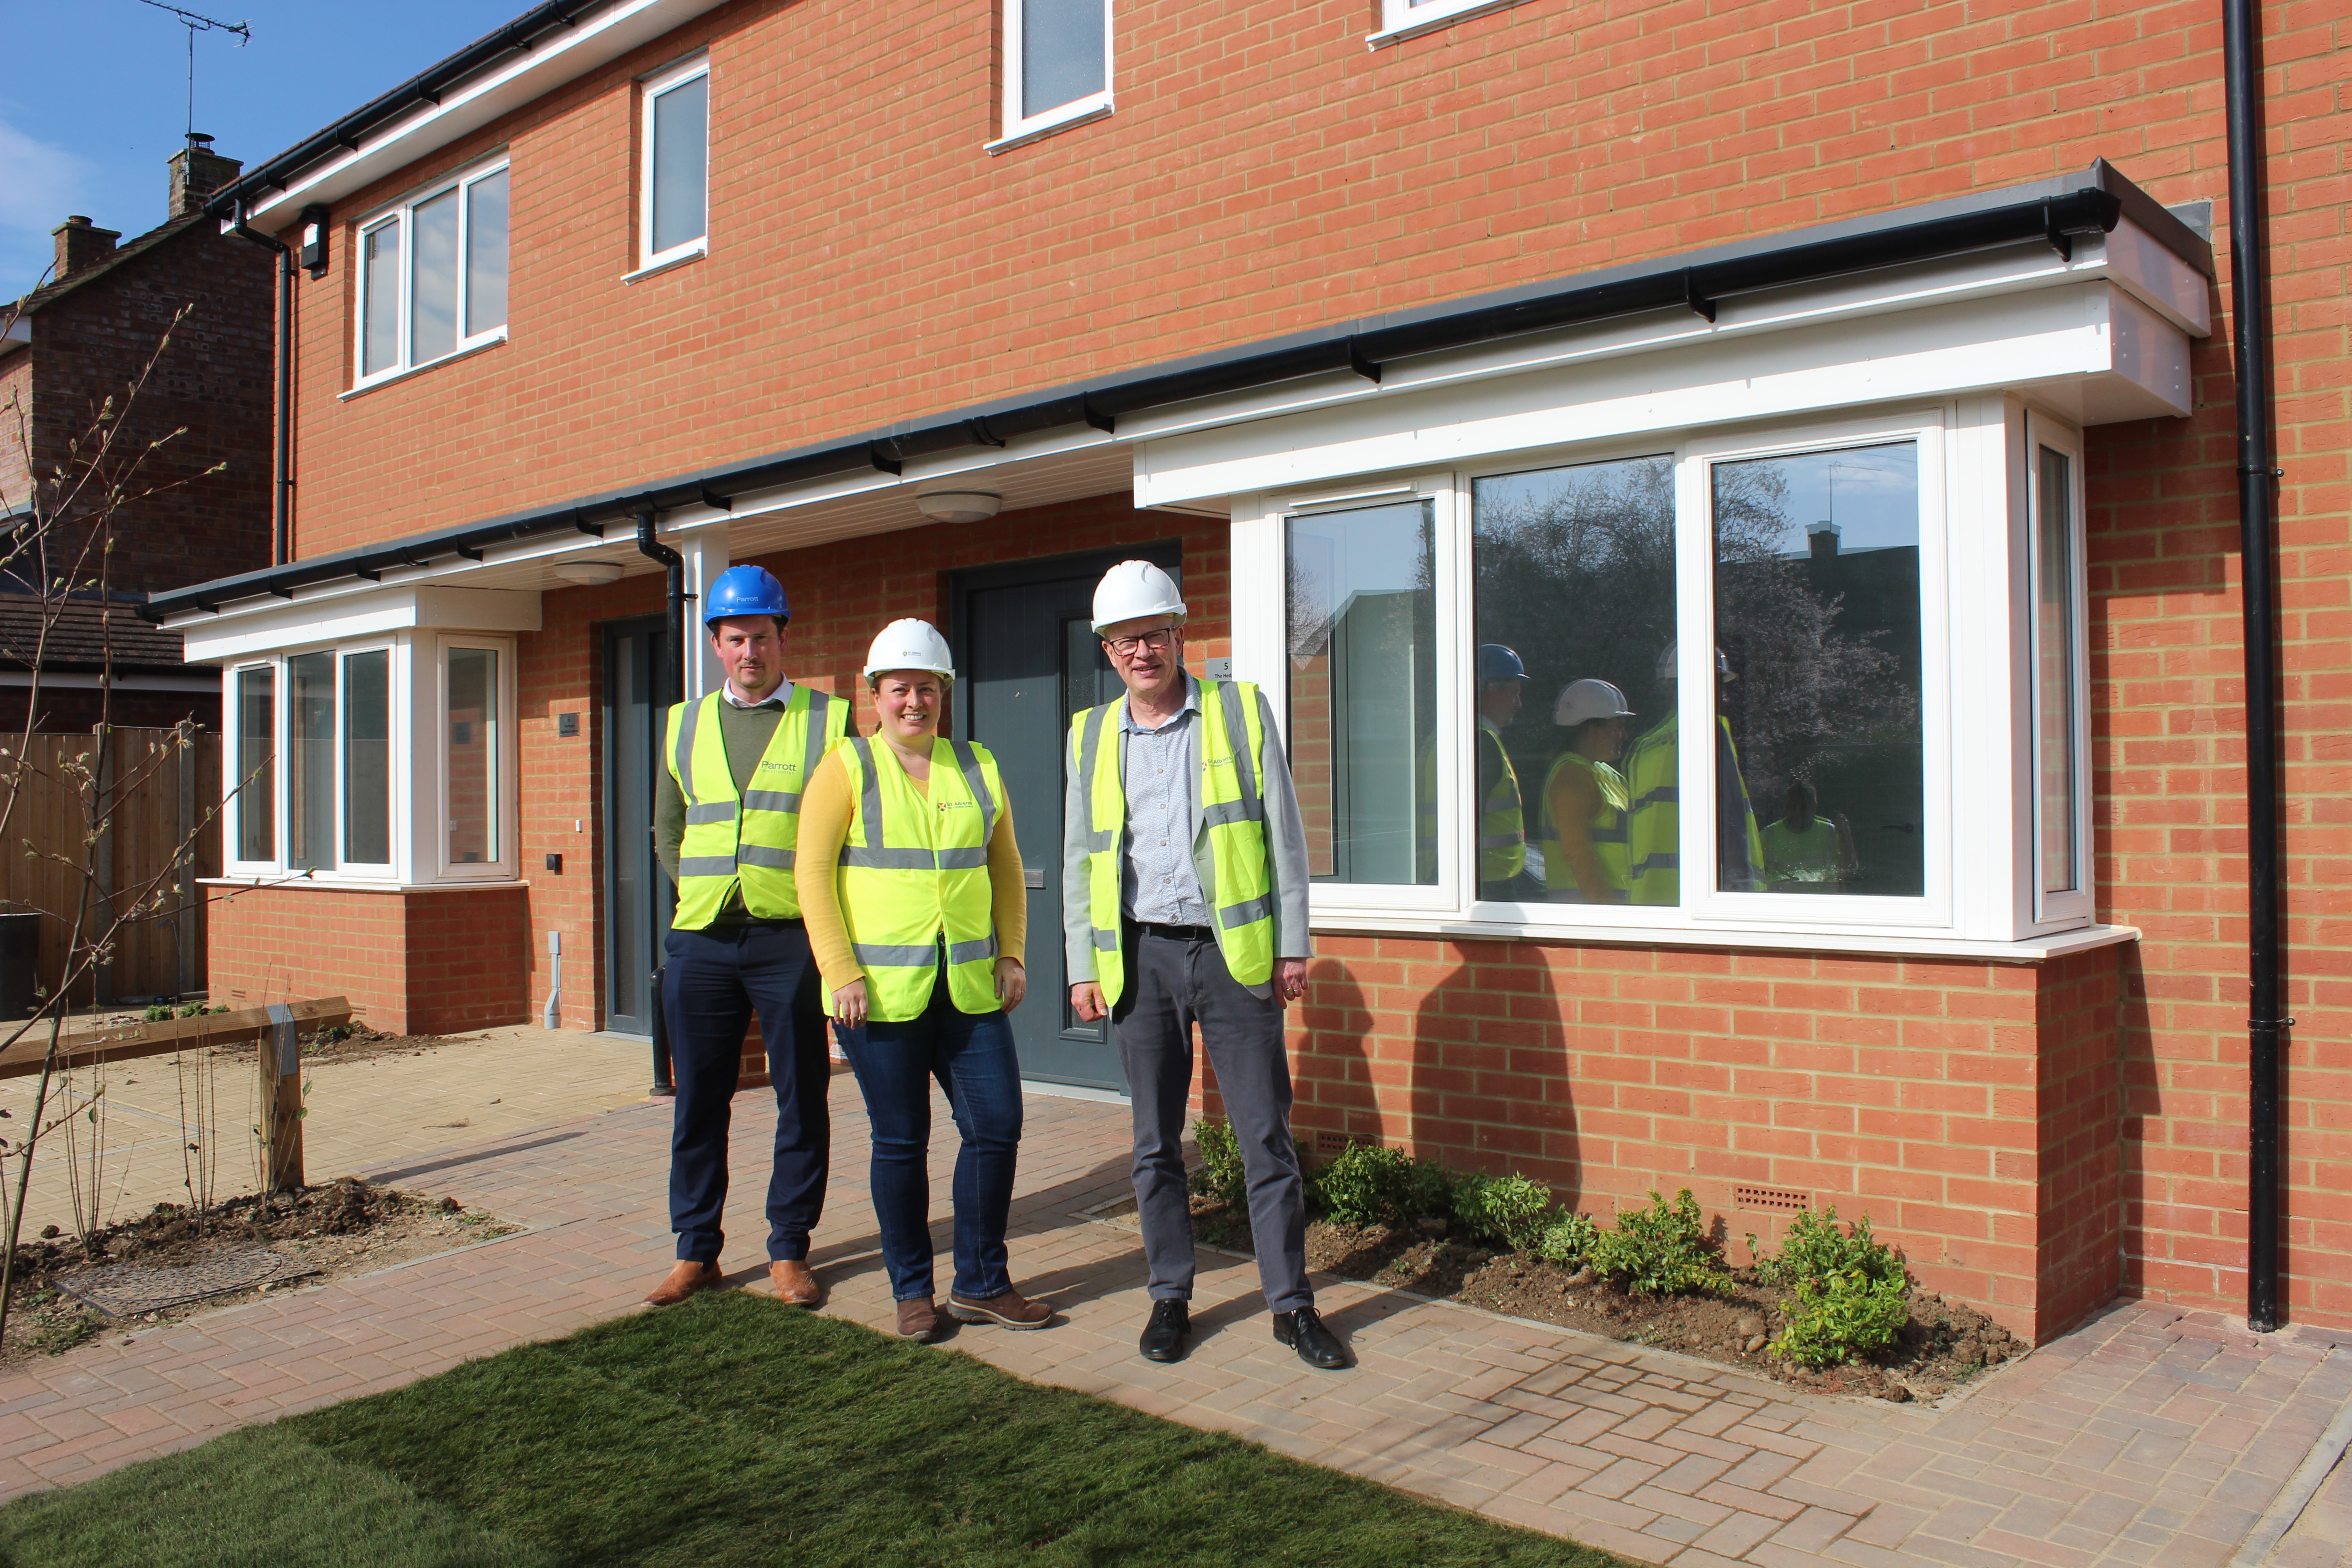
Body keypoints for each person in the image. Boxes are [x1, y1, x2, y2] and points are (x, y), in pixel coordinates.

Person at [1061, 560, 1346, 1370]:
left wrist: (1292, 943)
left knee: (1264, 1139)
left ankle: (1290, 1305)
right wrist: (1082, 964)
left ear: (1178, 634)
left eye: (1153, 634)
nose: (1141, 652)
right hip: (1139, 957)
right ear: (1108, 651)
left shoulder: (1238, 710)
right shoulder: (1089, 734)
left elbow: (1283, 833)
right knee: (1154, 1144)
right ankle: (1169, 1296)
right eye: (1124, 641)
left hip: (1233, 956)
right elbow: (1081, 856)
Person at [795, 619, 1049, 1343]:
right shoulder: (845, 767)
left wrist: (1012, 953)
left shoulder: (976, 764)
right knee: (902, 1141)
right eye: (900, 688)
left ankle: (981, 1283)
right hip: (879, 995)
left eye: (928, 688)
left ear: (945, 692)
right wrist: (840, 970)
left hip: (968, 986)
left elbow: (1004, 865)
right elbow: (811, 874)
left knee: (995, 1127)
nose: (915, 701)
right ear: (874, 695)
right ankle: (912, 1291)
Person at [645, 564, 849, 1309]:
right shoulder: (684, 722)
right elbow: (668, 827)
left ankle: (789, 1248)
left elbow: (850, 827)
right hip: (700, 940)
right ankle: (695, 1250)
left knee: (802, 1097)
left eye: (761, 637)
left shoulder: (829, 720)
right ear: (716, 644)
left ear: (781, 637)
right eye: (735, 640)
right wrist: (699, 890)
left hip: (789, 939)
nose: (749, 652)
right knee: (698, 1100)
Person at [1622, 644, 1765, 902]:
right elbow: (1730, 821)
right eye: (1720, 686)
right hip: (1702, 899)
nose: (1725, 698)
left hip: (1650, 898)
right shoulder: (1710, 731)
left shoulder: (1644, 747)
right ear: (1703, 684)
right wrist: (1741, 894)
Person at [1418, 643, 1537, 898]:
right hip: (1483, 885)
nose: (1519, 704)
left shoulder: (1445, 737)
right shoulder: (1478, 743)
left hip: (1467, 881)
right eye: (1514, 693)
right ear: (1488, 690)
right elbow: (1464, 825)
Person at [1537, 679, 1635, 904]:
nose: (1624, 735)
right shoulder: (1572, 775)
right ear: (1592, 729)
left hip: (1615, 903)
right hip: (1588, 908)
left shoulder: (1604, 772)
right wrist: (1606, 907)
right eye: (1618, 727)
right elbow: (1577, 853)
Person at [1763, 779, 1857, 889]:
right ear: (1786, 806)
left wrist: (1845, 837)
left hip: (1823, 898)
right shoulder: (1769, 834)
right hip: (1782, 898)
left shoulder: (1831, 832)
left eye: (1803, 808)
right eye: (1792, 807)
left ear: (1814, 807)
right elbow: (1754, 875)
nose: (1797, 812)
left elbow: (1848, 873)